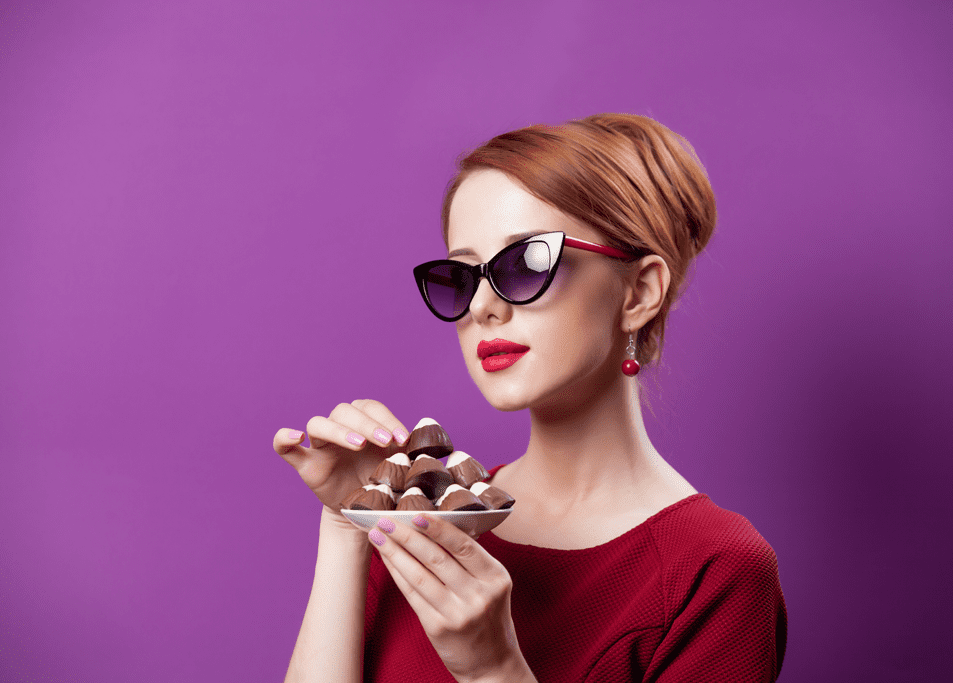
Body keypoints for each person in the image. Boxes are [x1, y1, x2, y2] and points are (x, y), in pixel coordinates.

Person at [273, 113, 788, 682]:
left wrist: (494, 670)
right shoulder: (429, 516)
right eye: (463, 277)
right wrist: (348, 523)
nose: (481, 307)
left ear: (639, 292)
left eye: (526, 264)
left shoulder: (717, 572)